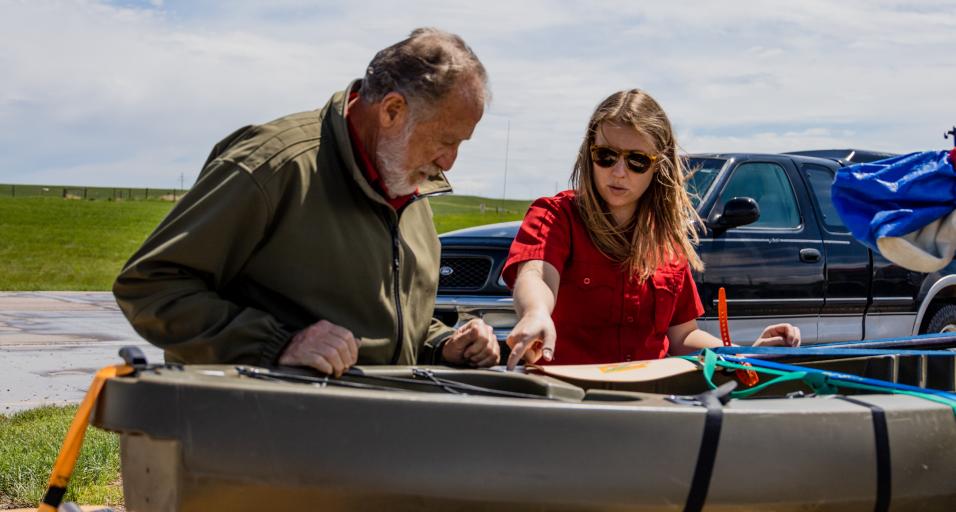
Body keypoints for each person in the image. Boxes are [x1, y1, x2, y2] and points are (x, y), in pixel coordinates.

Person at [113, 28, 500, 376]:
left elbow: (383, 319)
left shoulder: (408, 184)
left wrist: (442, 344)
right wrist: (276, 345)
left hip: (371, 435)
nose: (448, 162)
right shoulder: (273, 166)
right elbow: (152, 287)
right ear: (392, 111)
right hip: (259, 434)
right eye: (446, 140)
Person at [503, 89, 800, 369]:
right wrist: (536, 312)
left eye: (636, 161)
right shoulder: (556, 216)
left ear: (659, 165)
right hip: (568, 401)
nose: (619, 172)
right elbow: (537, 273)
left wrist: (738, 353)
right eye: (606, 156)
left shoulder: (668, 241)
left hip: (648, 402)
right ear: (589, 155)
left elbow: (682, 336)